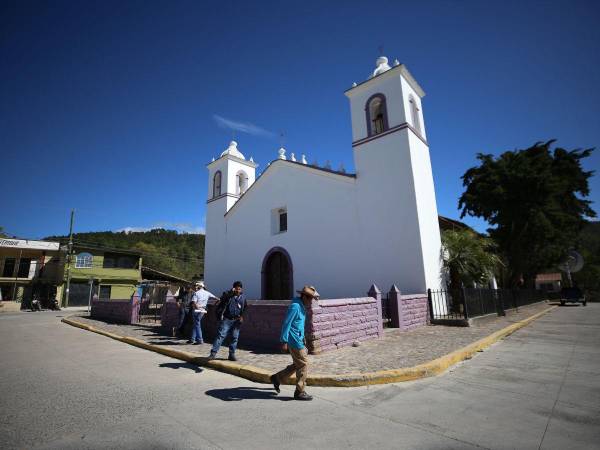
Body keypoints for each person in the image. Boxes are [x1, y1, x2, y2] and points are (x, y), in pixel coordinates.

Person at [270, 285, 319, 401]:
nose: (312, 300)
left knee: (298, 364)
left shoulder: (301, 305)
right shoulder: (295, 306)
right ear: (305, 297)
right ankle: (299, 391)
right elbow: (286, 323)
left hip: (299, 340)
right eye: (310, 298)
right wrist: (284, 340)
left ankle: (277, 378)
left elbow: (299, 325)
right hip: (294, 341)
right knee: (303, 364)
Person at [208, 281, 247, 361]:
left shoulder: (243, 298)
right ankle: (213, 353)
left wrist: (242, 316)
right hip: (227, 319)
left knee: (234, 338)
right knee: (221, 336)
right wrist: (230, 293)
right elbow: (222, 299)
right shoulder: (228, 295)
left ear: (241, 289)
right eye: (236, 289)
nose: (238, 291)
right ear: (233, 288)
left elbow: (245, 307)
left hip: (236, 321)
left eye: (239, 289)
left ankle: (231, 354)